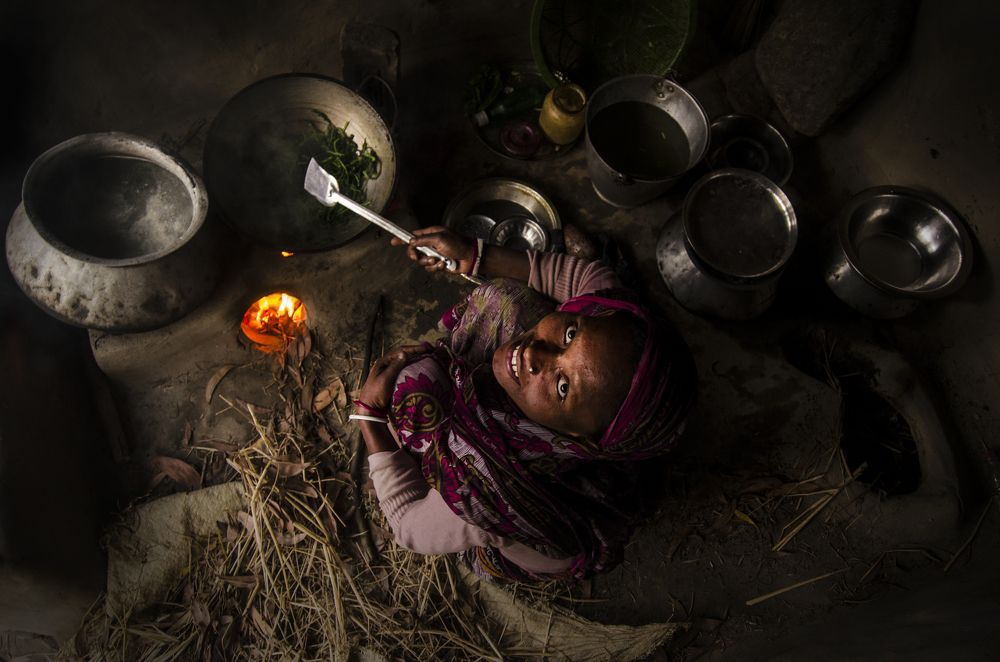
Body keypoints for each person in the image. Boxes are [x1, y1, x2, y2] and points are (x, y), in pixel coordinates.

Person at [351, 227, 696, 582]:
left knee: (413, 390)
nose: (535, 353)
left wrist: (370, 415)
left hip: (524, 523)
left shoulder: (492, 490)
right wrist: (474, 254)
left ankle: (486, 555)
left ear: (577, 438)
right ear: (593, 313)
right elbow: (587, 275)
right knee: (509, 305)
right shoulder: (613, 319)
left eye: (563, 386)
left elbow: (409, 524)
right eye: (570, 334)